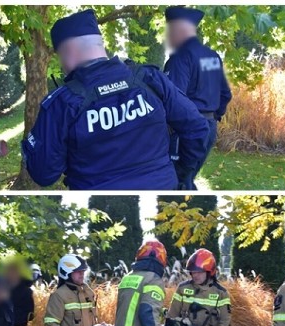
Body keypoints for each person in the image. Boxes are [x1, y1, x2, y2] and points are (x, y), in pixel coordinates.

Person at [22, 9, 209, 190]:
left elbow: (43, 174)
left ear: (69, 52)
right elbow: (197, 128)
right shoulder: (149, 79)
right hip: (164, 186)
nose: (62, 67)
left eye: (60, 57)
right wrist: (180, 174)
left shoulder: (62, 103)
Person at [164, 6, 232, 189]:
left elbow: (174, 98)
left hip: (186, 130)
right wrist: (213, 116)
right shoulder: (212, 57)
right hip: (208, 128)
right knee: (187, 178)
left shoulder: (180, 58)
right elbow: (225, 93)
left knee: (177, 181)